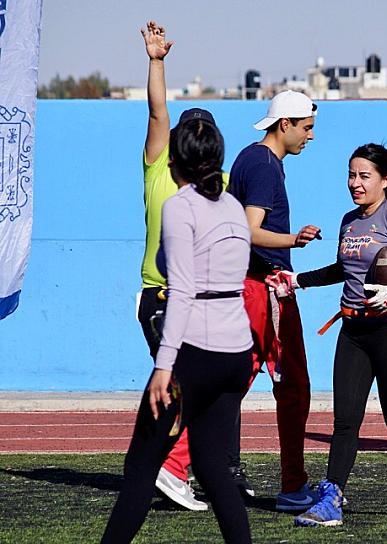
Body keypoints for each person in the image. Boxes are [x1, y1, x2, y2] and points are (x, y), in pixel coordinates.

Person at [102, 117, 254, 543]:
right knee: (211, 464)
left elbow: (184, 290)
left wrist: (164, 366)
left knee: (141, 466)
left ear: (176, 162)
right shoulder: (232, 206)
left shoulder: (180, 206)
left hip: (196, 354)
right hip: (236, 353)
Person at [287, 143, 387, 527]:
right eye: (351, 175)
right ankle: (332, 498)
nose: (355, 183)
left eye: (364, 176)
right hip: (353, 331)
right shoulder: (349, 220)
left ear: (385, 180)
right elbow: (343, 269)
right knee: (345, 420)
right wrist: (298, 280)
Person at [137, 20, 229, 511]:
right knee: (189, 389)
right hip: (162, 297)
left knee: (194, 388)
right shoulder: (159, 165)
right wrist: (156, 62)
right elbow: (157, 111)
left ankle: (172, 467)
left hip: (200, 300)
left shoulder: (221, 184)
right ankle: (170, 469)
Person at [227, 90, 322, 510]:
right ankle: (293, 486)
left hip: (249, 286)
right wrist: (293, 240)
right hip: (266, 290)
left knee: (228, 384)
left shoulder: (250, 158)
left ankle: (175, 465)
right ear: (285, 124)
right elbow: (249, 230)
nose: (310, 136)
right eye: (307, 128)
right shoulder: (266, 165)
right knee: (293, 387)